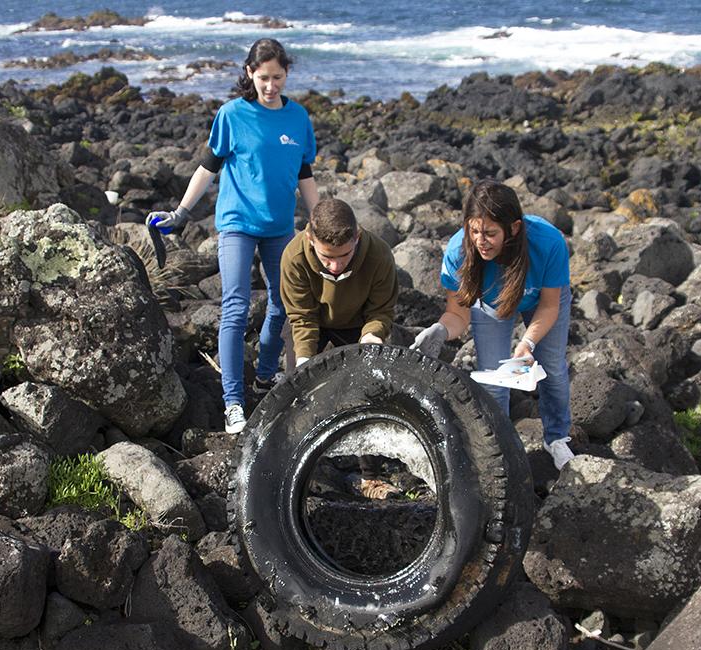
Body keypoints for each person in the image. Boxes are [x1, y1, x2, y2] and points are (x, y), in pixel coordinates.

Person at [147, 38, 319, 434]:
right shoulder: (232, 115)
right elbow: (207, 168)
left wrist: (318, 220)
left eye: (277, 77)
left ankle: (263, 377)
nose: (270, 85)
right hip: (237, 223)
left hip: (279, 228)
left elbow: (304, 175)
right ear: (249, 74)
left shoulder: (298, 118)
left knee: (284, 307)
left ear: (286, 74)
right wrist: (182, 213)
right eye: (263, 77)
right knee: (236, 307)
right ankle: (233, 402)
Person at [412, 180, 575, 469]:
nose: (480, 241)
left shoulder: (548, 242)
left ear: (513, 228)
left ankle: (557, 438)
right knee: (494, 379)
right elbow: (458, 316)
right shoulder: (457, 253)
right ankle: (503, 450)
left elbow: (550, 305)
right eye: (474, 231)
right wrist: (440, 330)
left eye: (489, 233)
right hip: (491, 305)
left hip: (541, 299)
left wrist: (527, 343)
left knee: (553, 369)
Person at [280, 198, 399, 366]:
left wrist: (372, 335)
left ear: (357, 237)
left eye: (345, 255)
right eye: (327, 257)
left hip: (358, 324)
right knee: (297, 381)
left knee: (366, 383)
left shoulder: (379, 255)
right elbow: (302, 316)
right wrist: (304, 358)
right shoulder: (294, 257)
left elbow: (381, 311)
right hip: (308, 323)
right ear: (310, 239)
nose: (335, 266)